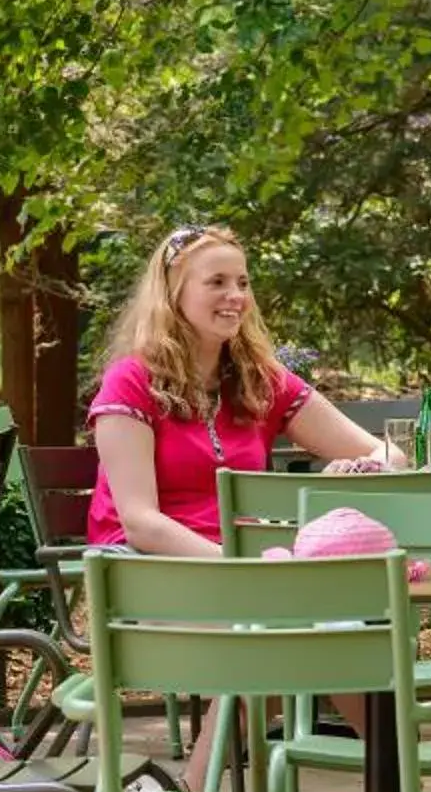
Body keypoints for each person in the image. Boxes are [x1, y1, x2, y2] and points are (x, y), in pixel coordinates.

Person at [85, 223, 396, 556]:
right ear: (172, 294)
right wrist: (241, 568)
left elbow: (388, 454)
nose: (236, 296)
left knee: (366, 584)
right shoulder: (130, 381)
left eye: (243, 283)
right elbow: (141, 525)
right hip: (152, 567)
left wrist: (357, 470)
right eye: (217, 282)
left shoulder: (260, 381)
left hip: (247, 564)